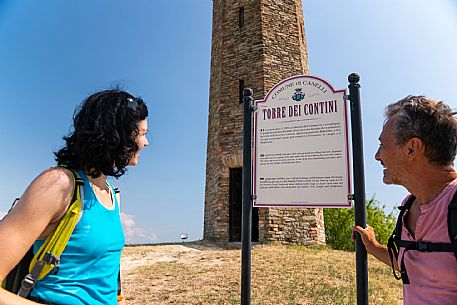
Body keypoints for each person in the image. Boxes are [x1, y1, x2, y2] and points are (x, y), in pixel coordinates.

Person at [0, 89, 149, 305]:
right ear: (117, 133)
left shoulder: (111, 194)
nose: (146, 142)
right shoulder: (58, 185)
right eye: (142, 133)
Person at [353, 95, 457, 304]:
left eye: (382, 145)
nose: (377, 156)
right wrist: (373, 246)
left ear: (412, 148)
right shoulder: (408, 205)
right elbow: (421, 267)